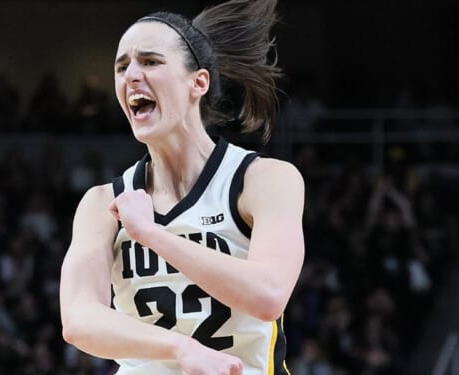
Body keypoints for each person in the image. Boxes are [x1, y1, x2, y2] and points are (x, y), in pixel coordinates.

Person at [59, 1, 305, 374]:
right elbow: (78, 319)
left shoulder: (263, 179)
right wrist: (179, 348)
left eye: (150, 62)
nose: (132, 76)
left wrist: (152, 235)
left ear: (199, 82)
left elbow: (268, 295)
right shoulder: (102, 202)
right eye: (122, 67)